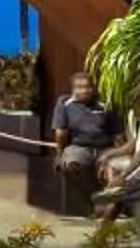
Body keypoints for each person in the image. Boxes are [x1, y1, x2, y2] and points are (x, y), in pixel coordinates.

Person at [51, 71, 119, 208]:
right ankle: (95, 200)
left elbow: (116, 133)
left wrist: (118, 153)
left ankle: (114, 205)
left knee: (116, 167)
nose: (84, 91)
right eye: (79, 87)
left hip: (104, 147)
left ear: (93, 88)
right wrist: (59, 154)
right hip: (79, 147)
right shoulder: (65, 103)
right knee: (71, 164)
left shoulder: (104, 105)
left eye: (88, 87)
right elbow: (60, 132)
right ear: (73, 90)